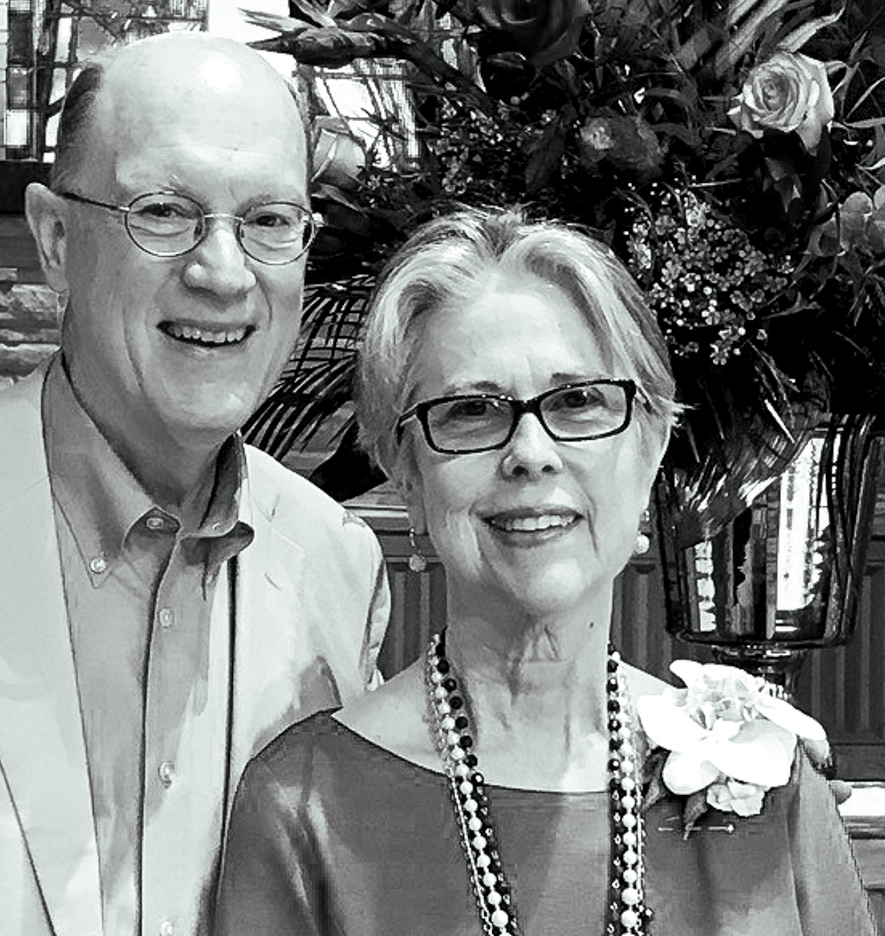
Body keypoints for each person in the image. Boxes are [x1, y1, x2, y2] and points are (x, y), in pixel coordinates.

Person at [0, 32, 389, 936]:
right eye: (164, 212)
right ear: (54, 236)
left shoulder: (337, 569)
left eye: (270, 220)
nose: (223, 272)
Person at [215, 209, 874, 936]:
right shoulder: (301, 805)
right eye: (472, 410)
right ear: (406, 472)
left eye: (580, 401)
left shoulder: (770, 787)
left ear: (652, 443)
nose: (531, 451)